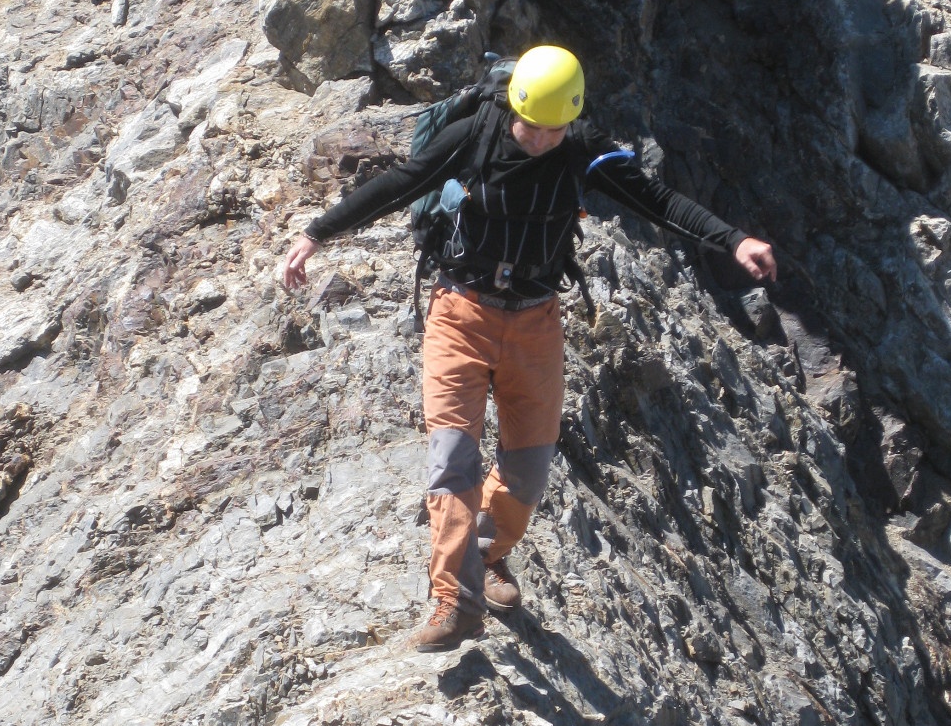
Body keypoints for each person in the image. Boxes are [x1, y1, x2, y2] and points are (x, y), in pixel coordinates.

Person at [282, 46, 776, 652]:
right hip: (460, 313)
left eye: (555, 130)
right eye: (533, 128)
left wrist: (732, 240)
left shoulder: (581, 150)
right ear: (514, 107)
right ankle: (452, 603)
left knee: (528, 473)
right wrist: (316, 233)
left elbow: (658, 201)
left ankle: (487, 555)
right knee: (451, 460)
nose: (543, 141)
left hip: (536, 322)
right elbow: (403, 182)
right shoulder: (477, 134)